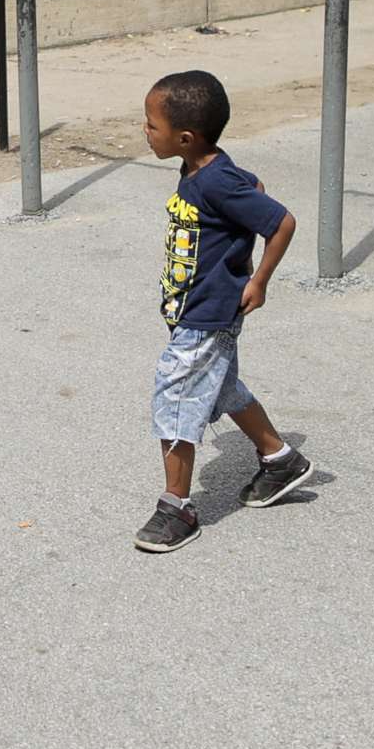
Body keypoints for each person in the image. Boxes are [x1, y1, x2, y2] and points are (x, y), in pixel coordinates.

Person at [135, 69, 314, 553]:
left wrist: (258, 281)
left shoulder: (214, 180)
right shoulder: (199, 168)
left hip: (206, 316)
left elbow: (280, 221)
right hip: (193, 311)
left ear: (185, 137)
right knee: (223, 387)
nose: (145, 132)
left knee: (174, 399)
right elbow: (250, 187)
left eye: (152, 125)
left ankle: (177, 507)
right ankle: (280, 460)